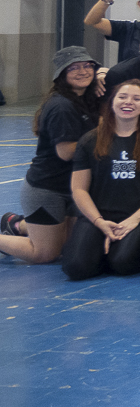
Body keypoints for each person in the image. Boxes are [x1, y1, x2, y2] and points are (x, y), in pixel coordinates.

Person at [62, 81, 140, 280]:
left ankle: (133, 250)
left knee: (123, 263)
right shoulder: (90, 140)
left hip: (138, 217)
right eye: (122, 97)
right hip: (99, 215)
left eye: (136, 98)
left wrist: (135, 219)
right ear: (112, 102)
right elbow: (79, 189)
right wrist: (99, 223)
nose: (128, 102)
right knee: (76, 267)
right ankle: (102, 245)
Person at [2, 48, 101, 265]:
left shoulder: (87, 97)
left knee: (68, 246)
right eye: (74, 68)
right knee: (45, 254)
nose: (82, 71)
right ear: (62, 74)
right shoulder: (61, 106)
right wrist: (105, 138)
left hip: (74, 187)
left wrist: (104, 74)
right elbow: (65, 153)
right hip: (48, 188)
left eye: (87, 66)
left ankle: (16, 224)